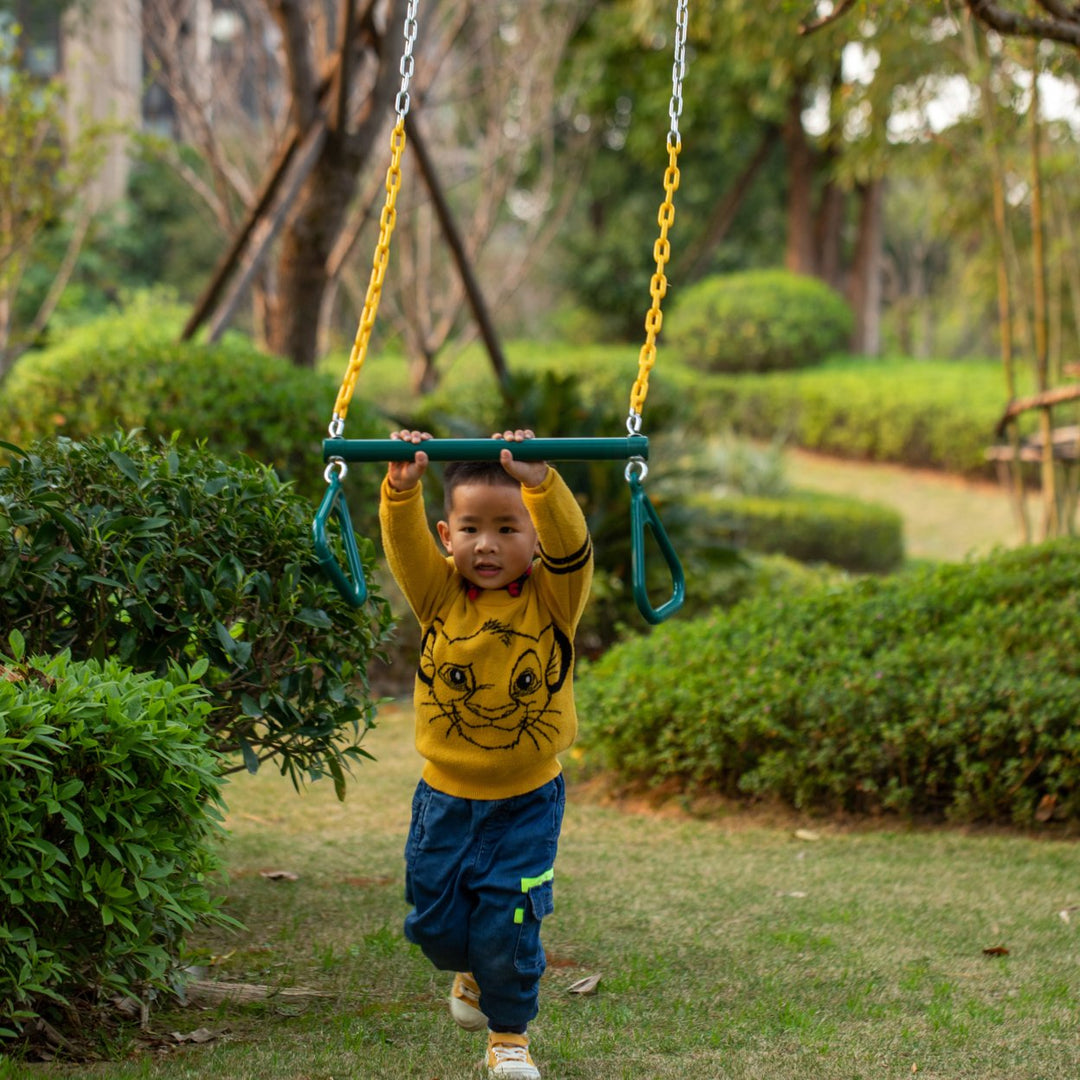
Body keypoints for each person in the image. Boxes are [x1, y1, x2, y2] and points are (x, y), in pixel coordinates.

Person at [379, 428, 593, 1080]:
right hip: (444, 798)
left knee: (510, 922)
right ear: (449, 537)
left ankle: (510, 1039)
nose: (488, 544)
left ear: (535, 540)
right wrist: (400, 489)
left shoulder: (553, 601)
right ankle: (466, 971)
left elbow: (574, 551)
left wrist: (542, 485)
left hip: (527, 800)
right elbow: (406, 549)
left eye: (509, 528)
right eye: (472, 528)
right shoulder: (438, 593)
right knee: (437, 928)